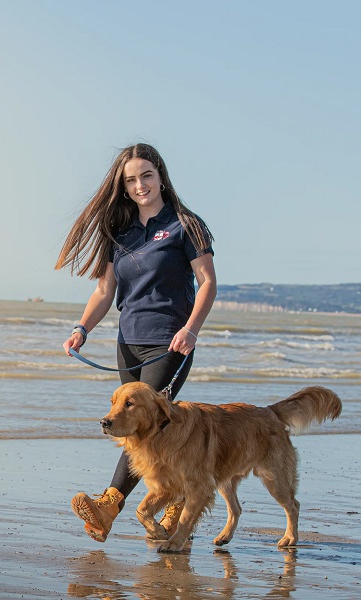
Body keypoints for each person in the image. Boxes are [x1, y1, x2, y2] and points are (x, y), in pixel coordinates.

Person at [55, 142, 217, 542]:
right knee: (136, 427)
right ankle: (172, 501)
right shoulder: (121, 233)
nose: (140, 184)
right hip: (128, 341)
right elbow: (104, 291)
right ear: (123, 187)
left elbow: (208, 283)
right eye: (131, 179)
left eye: (147, 175)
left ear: (160, 176)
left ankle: (111, 505)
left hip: (170, 342)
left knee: (148, 427)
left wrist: (191, 329)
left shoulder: (185, 224)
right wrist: (82, 328)